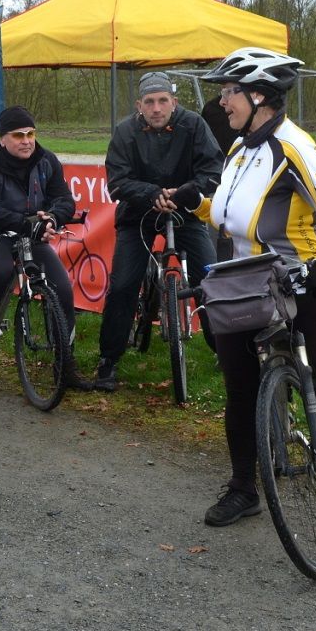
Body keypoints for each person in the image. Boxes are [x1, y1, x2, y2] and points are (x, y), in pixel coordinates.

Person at [169, 47, 316, 529]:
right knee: (239, 390)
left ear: (259, 95)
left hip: (296, 283)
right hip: (240, 287)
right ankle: (244, 488)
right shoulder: (240, 149)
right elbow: (233, 219)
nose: (222, 102)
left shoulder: (294, 146)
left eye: (229, 92)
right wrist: (199, 203)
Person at [94, 71, 223, 391]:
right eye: (149, 102)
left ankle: (224, 350)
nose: (156, 108)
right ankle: (108, 360)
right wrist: (152, 193)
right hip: (138, 214)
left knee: (210, 280)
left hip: (186, 211)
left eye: (162, 100)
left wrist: (184, 192)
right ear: (139, 105)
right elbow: (117, 181)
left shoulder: (193, 125)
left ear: (174, 102)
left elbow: (213, 168)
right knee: (123, 285)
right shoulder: (125, 132)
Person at [0, 105, 93, 390]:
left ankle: (66, 366)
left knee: (62, 287)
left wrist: (53, 217)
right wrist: (28, 224)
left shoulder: (46, 159)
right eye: (18, 135)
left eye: (30, 134)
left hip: (31, 231)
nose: (26, 140)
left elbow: (64, 198)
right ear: (2, 139)